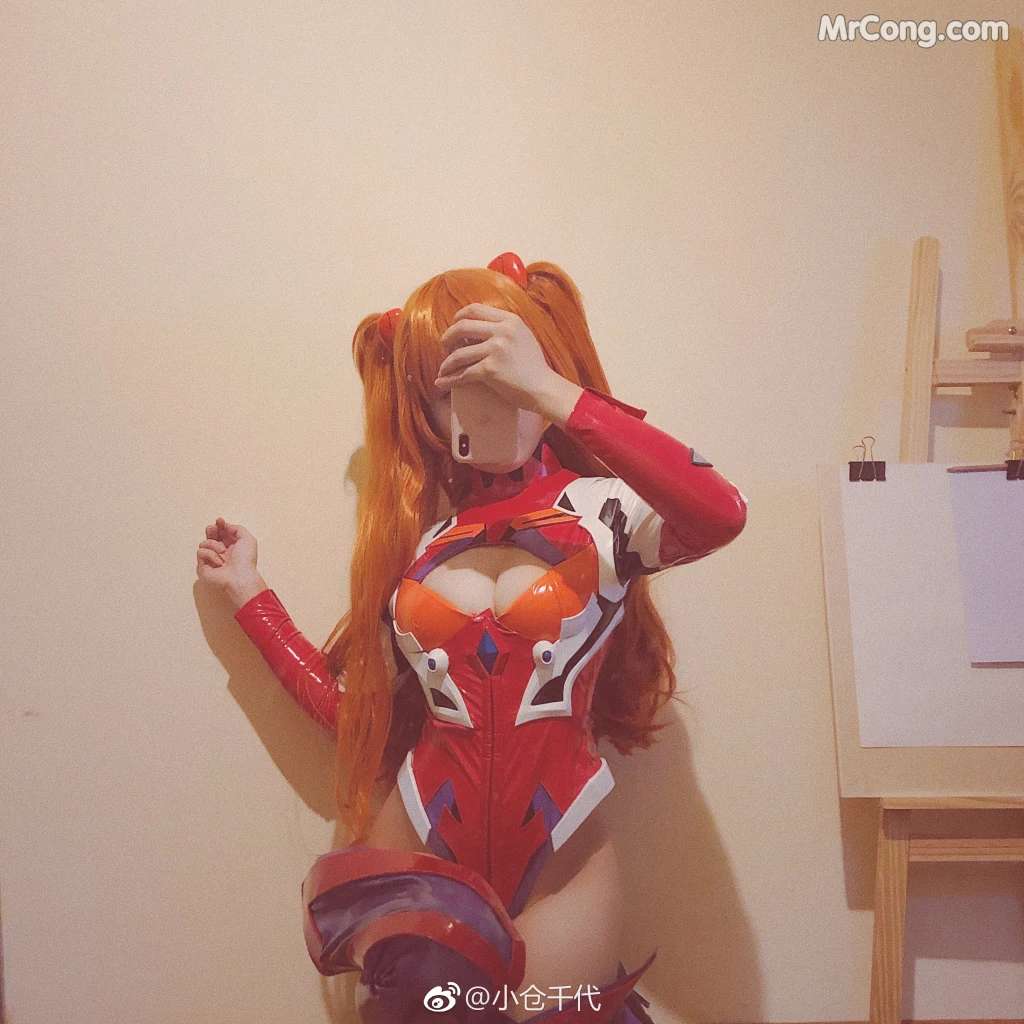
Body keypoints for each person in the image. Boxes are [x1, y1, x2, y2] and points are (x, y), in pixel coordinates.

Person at [196, 252, 748, 1023]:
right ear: (424, 409)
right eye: (449, 384)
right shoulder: (422, 545)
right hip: (416, 853)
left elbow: (720, 512)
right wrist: (250, 596)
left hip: (562, 867)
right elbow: (357, 721)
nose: (484, 400)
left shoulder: (607, 512)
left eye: (499, 369)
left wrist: (553, 391)